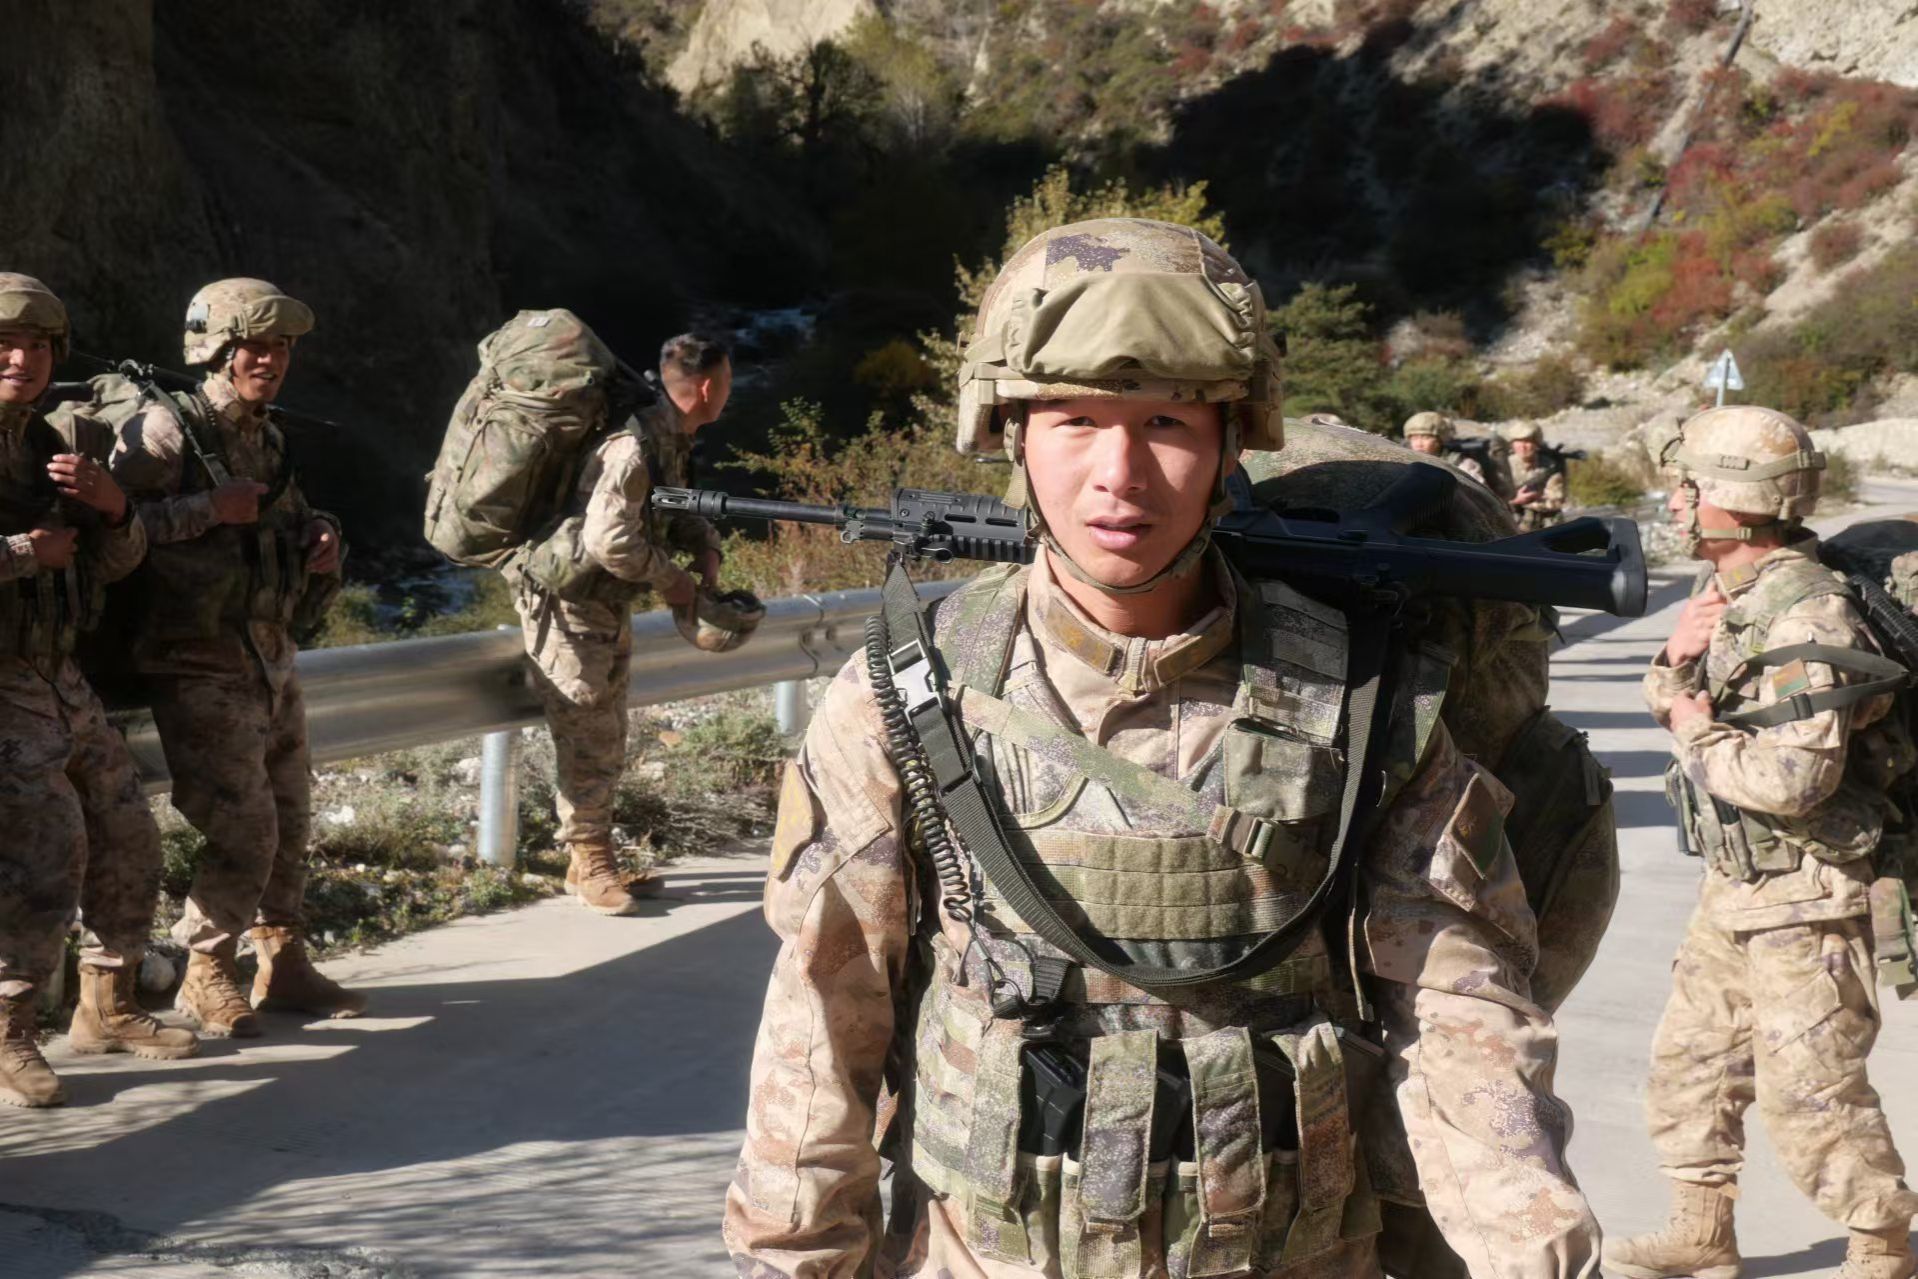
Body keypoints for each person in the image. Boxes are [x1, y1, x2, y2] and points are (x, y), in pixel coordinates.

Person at [724, 219, 1600, 1277]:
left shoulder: (1362, 698)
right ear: (1010, 433)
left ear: (1233, 440)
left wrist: (1533, 1245)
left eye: (1168, 423)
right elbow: (824, 1018)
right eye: (1075, 420)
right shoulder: (911, 690)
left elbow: (1460, 1011)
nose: (1120, 474)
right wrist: (796, 1257)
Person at [1611, 404, 1918, 1279]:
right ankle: (1701, 1231)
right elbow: (1687, 699)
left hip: (1812, 890)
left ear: (1738, 500)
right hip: (1742, 882)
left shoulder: (1806, 617)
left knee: (1813, 1090)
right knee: (1692, 1065)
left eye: (1691, 487)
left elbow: (1793, 780)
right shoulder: (1736, 596)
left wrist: (1688, 726)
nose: (1677, 502)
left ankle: (1881, 1244)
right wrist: (1674, 663)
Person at [109, 277, 357, 1039]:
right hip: (197, 657)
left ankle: (282, 959)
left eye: (280, 347)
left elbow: (283, 513)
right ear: (217, 349)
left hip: (268, 650)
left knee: (289, 815)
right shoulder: (165, 430)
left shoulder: (265, 434)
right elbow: (110, 531)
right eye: (254, 346)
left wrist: (320, 533)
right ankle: (207, 969)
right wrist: (206, 509)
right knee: (243, 824)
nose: (270, 360)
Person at [0, 274, 198, 1106]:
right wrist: (21, 552)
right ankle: (9, 1030)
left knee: (128, 834)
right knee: (46, 854)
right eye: (6, 345)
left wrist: (114, 512)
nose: (23, 360)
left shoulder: (49, 440)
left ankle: (106, 1006)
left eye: (38, 346)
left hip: (60, 675)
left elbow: (111, 566)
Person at [507, 331, 739, 916]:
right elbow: (609, 538)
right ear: (707, 388)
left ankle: (589, 856)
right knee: (587, 728)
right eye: (727, 381)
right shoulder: (635, 444)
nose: (728, 392)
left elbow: (671, 507)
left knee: (607, 728)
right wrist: (671, 578)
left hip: (603, 598)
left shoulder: (669, 437)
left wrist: (704, 545)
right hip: (568, 599)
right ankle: (590, 860)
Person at [1402, 410, 1514, 500]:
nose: (1419, 443)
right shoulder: (1404, 464)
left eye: (1426, 437)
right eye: (1414, 438)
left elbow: (1480, 499)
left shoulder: (1463, 465)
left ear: (1440, 440)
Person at [1505, 421, 1566, 532]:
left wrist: (1533, 500)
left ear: (1537, 444)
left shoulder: (1550, 466)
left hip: (1544, 526)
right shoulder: (1502, 466)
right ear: (1512, 444)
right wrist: (1515, 501)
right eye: (1518, 441)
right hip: (1510, 527)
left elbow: (1556, 502)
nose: (1522, 446)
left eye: (1527, 441)